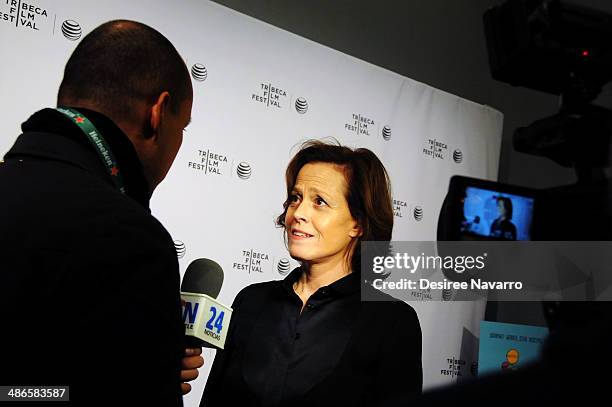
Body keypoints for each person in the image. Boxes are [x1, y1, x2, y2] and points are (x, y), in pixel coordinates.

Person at [0, 20, 203, 404]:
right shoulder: (132, 240)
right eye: (183, 128)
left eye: (319, 200)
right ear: (157, 114)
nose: (297, 212)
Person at [201, 140, 422, 407]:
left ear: (358, 223)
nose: (297, 213)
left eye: (319, 201)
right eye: (296, 198)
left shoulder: (392, 322)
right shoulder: (250, 301)